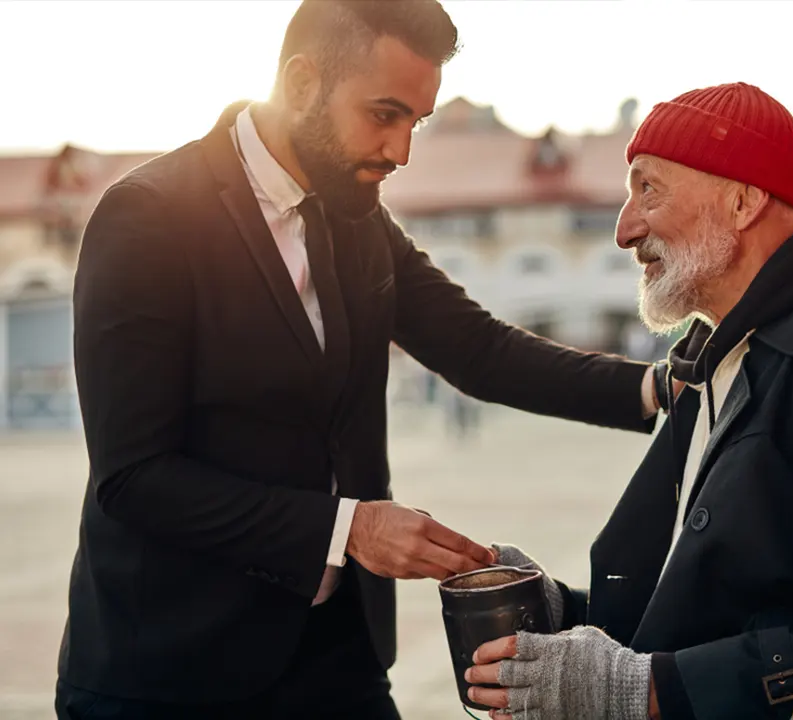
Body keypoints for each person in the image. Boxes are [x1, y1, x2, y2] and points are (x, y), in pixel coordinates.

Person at [55, 2, 661, 718]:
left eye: (417, 122)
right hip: (170, 670)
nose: (401, 150)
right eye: (384, 114)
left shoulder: (357, 216)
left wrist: (658, 388)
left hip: (337, 659)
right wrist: (348, 529)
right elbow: (133, 477)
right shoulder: (147, 219)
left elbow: (480, 349)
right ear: (303, 82)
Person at [466, 82, 793, 719]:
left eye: (648, 188)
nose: (624, 229)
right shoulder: (715, 357)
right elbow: (692, 609)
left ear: (742, 200)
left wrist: (640, 692)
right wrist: (557, 611)